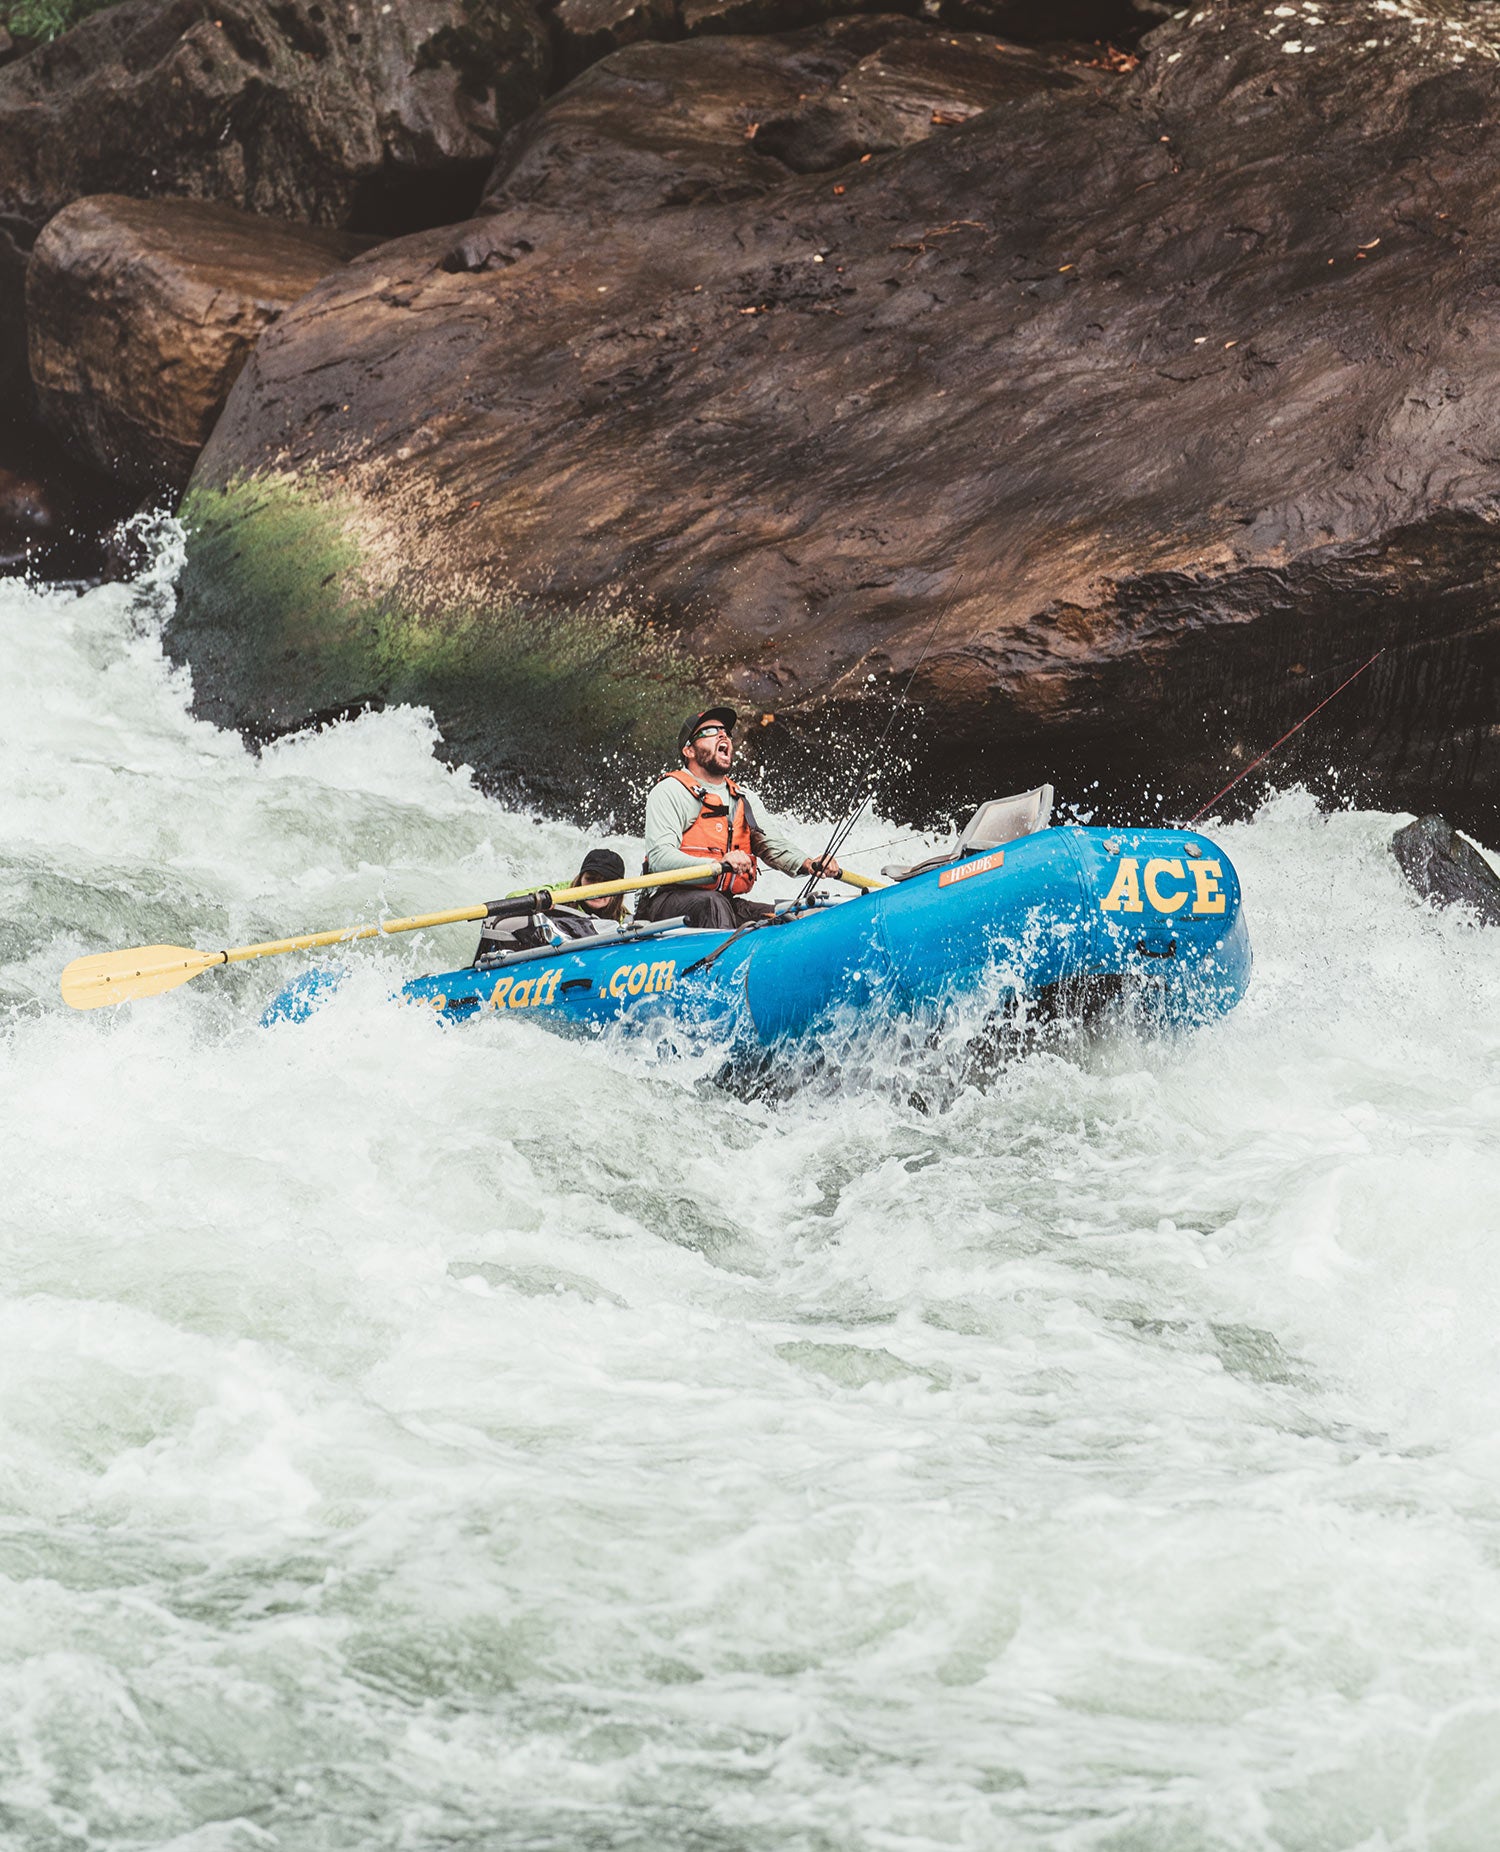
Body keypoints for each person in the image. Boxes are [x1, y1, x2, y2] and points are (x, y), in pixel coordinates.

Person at [635, 707, 840, 931]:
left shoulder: (744, 798)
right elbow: (660, 858)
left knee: (789, 916)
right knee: (713, 904)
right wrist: (716, 865)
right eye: (711, 731)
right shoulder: (670, 791)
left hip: (724, 902)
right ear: (689, 751)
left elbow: (774, 846)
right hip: (666, 903)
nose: (723, 735)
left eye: (725, 732)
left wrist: (809, 863)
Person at [473, 847, 626, 966]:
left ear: (619, 889)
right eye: (591, 879)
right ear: (580, 879)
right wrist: (540, 901)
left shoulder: (623, 917)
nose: (595, 889)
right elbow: (511, 897)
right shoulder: (561, 892)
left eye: (605, 883)